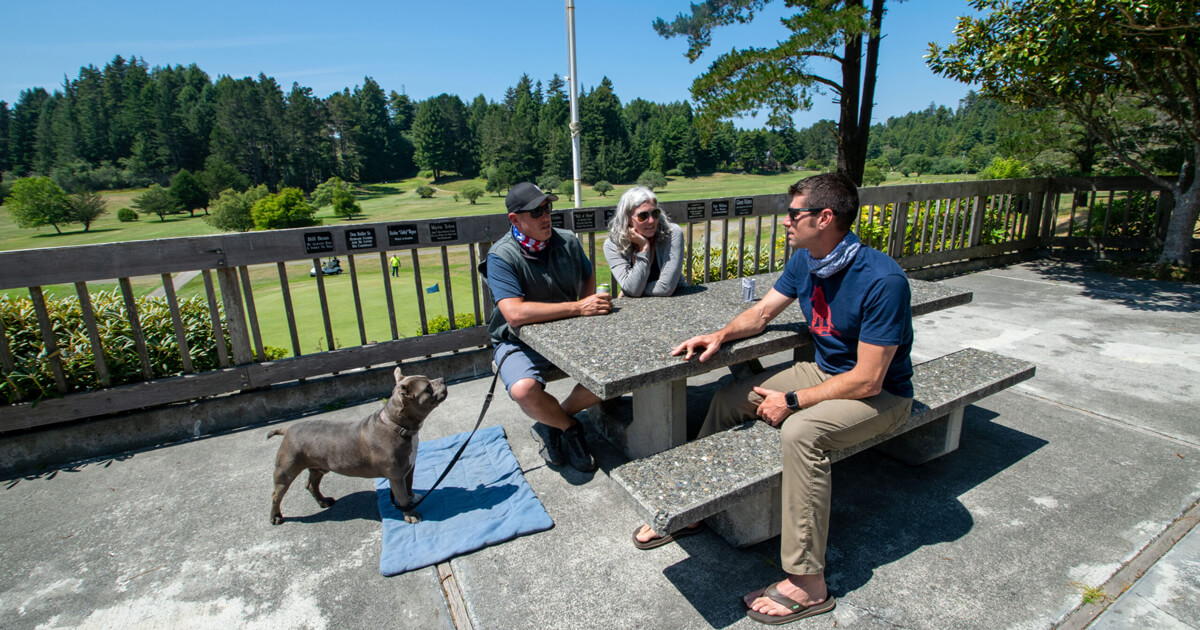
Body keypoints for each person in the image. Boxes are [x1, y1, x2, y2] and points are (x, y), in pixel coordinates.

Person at [636, 173, 914, 625]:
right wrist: (720, 335)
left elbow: (867, 380)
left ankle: (808, 584)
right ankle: (696, 507)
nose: (784, 222)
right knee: (728, 398)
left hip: (883, 395)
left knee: (802, 433)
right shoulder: (808, 260)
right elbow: (763, 313)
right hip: (825, 372)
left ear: (825, 218)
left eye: (792, 214)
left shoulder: (883, 280)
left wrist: (794, 399)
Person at [482, 182, 613, 473]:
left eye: (548, 208)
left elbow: (587, 276)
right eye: (536, 211)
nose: (546, 216)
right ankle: (570, 427)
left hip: (569, 335)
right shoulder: (501, 256)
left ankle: (552, 422)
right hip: (518, 341)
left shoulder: (568, 240)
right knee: (523, 389)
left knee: (621, 369)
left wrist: (587, 304)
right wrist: (579, 307)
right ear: (515, 219)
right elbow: (514, 314)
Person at [603, 186, 686, 297]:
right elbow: (632, 289)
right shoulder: (612, 245)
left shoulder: (672, 234)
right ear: (627, 218)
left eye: (655, 213)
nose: (651, 221)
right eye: (643, 216)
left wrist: (631, 290)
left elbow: (666, 287)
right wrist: (644, 248)